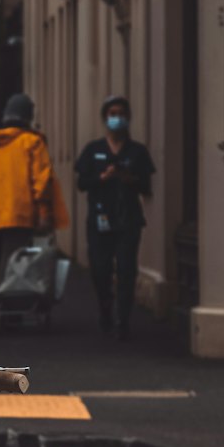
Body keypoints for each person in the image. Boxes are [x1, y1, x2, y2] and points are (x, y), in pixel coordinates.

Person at [0, 93, 69, 326]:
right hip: (16, 214)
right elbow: (41, 182)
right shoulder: (32, 142)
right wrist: (44, 214)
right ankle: (5, 315)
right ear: (28, 117)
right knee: (9, 267)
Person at [74, 95, 155, 339]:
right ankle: (105, 307)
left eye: (120, 113)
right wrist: (102, 178)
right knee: (100, 268)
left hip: (128, 220)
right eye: (112, 113)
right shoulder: (93, 150)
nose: (116, 118)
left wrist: (129, 179)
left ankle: (123, 318)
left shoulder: (137, 152)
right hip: (100, 220)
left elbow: (146, 187)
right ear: (105, 118)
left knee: (127, 269)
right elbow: (82, 183)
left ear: (128, 118)